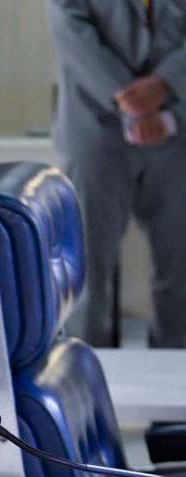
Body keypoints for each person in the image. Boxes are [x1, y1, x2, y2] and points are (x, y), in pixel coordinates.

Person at [49, 0, 186, 347]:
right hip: (94, 130)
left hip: (178, 131)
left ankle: (175, 368)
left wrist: (164, 85)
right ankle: (83, 367)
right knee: (85, 271)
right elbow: (70, 27)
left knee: (180, 269)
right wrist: (132, 100)